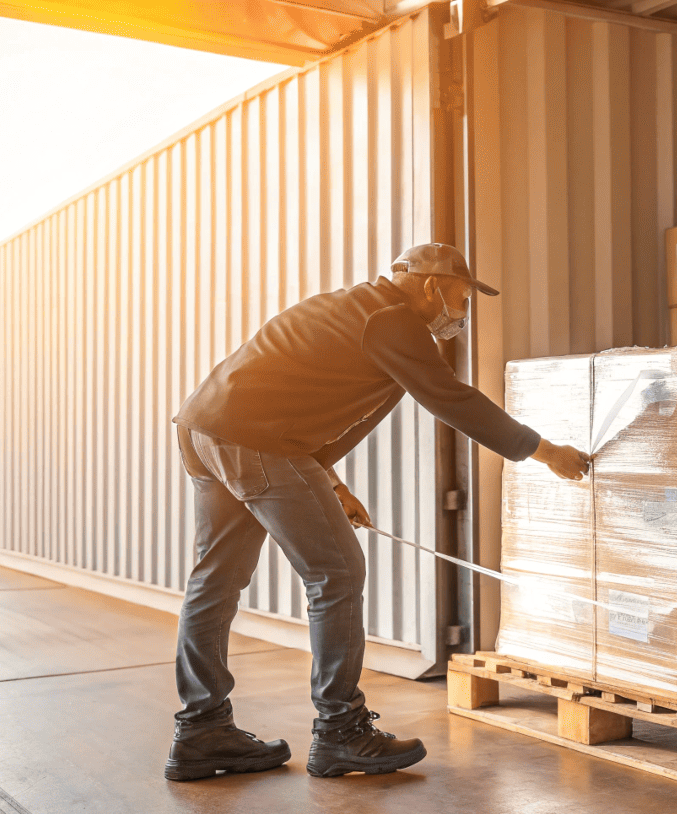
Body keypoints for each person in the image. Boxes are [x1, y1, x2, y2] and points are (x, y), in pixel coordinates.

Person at [164, 243, 589, 781]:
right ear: (432, 285)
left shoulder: (357, 312)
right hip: (254, 439)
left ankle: (201, 732)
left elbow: (303, 396)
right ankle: (341, 732)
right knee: (337, 573)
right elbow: (451, 399)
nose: (462, 311)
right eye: (462, 297)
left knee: (215, 581)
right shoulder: (394, 321)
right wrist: (544, 452)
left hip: (205, 429)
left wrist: (332, 483)